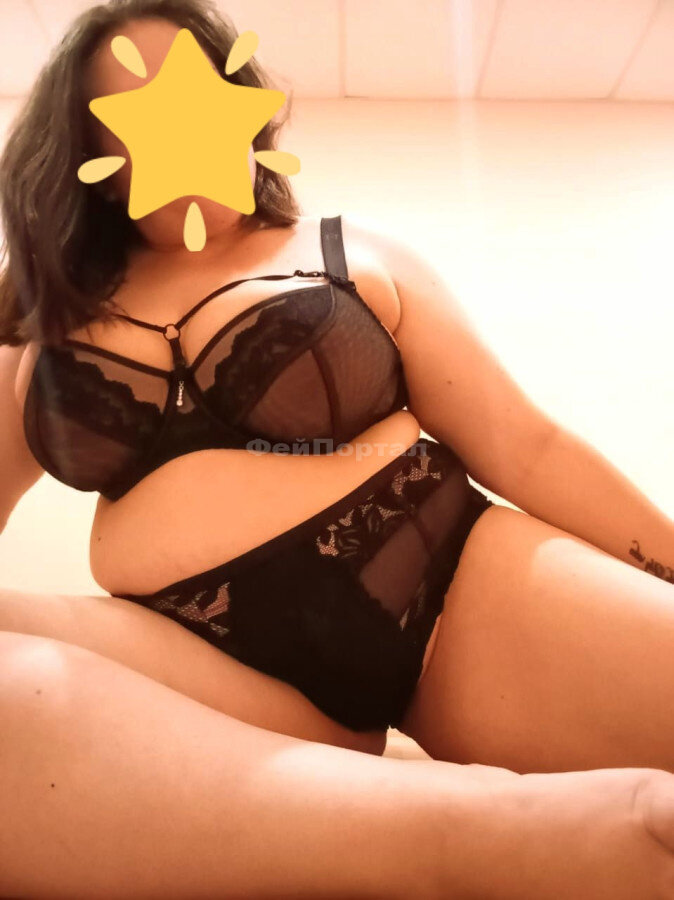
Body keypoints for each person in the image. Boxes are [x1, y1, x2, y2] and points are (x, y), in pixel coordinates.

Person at [1, 0, 674, 896]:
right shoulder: (41, 321)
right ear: (93, 155)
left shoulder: (350, 250)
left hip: (448, 593)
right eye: (142, 107)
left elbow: (529, 448)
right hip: (211, 665)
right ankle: (465, 834)